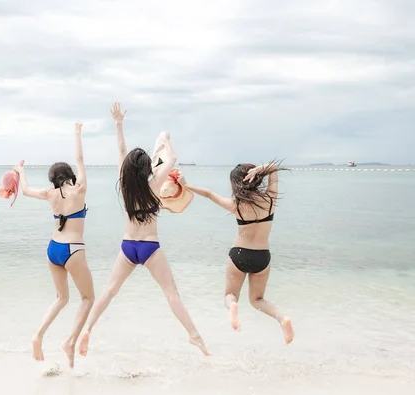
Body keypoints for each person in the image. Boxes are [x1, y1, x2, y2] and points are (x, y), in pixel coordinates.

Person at [78, 103, 209, 357]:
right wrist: (165, 140)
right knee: (172, 293)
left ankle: (88, 329)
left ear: (128, 168)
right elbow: (171, 159)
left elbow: (121, 149)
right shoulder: (154, 184)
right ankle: (194, 336)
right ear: (148, 169)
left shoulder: (124, 185)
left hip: (128, 246)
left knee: (109, 291)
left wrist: (118, 123)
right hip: (150, 247)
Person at [183, 162, 295, 344]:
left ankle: (233, 307)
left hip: (239, 254)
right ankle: (282, 319)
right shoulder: (271, 200)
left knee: (230, 295)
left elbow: (209, 194)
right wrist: (260, 169)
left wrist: (185, 185)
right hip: (262, 256)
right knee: (257, 299)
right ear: (254, 179)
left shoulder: (236, 205)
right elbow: (273, 169)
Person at [15, 121, 95, 368]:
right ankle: (70, 342)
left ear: (52, 180)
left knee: (61, 298)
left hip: (53, 249)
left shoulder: (50, 195)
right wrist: (78, 133)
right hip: (73, 250)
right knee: (88, 298)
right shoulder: (79, 189)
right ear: (70, 175)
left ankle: (38, 335)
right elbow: (80, 158)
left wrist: (20, 171)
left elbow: (25, 191)